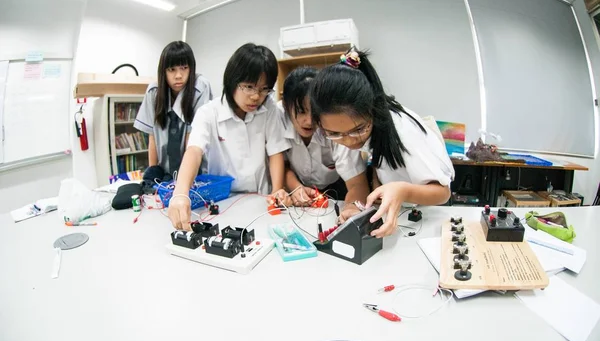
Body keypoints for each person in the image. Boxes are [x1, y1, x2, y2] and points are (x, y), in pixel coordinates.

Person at [310, 49, 454, 237]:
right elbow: (356, 185)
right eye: (334, 133)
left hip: (427, 217)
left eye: (358, 130)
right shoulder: (342, 128)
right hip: (399, 217)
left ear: (373, 110)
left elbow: (442, 193)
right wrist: (353, 207)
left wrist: (402, 190)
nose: (347, 140)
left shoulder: (402, 130)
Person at [167, 43, 291, 230]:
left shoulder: (269, 108)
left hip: (261, 199)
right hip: (222, 201)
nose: (256, 97)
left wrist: (276, 190)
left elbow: (275, 152)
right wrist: (180, 194)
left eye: (264, 89)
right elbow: (194, 150)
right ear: (232, 80)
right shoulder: (208, 113)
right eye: (249, 87)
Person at [279, 66, 369, 211]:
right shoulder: (278, 119)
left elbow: (357, 183)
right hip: (297, 186)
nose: (309, 121)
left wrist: (352, 209)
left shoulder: (337, 124)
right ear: (285, 105)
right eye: (301, 111)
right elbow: (281, 164)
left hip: (337, 186)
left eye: (314, 112)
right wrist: (296, 187)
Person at [134, 41, 212, 179]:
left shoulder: (200, 88)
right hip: (166, 172)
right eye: (172, 70)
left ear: (191, 68)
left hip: (195, 171)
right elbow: (152, 137)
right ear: (163, 71)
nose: (178, 75)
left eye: (184, 68)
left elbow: (193, 139)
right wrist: (153, 177)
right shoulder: (154, 92)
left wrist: (185, 182)